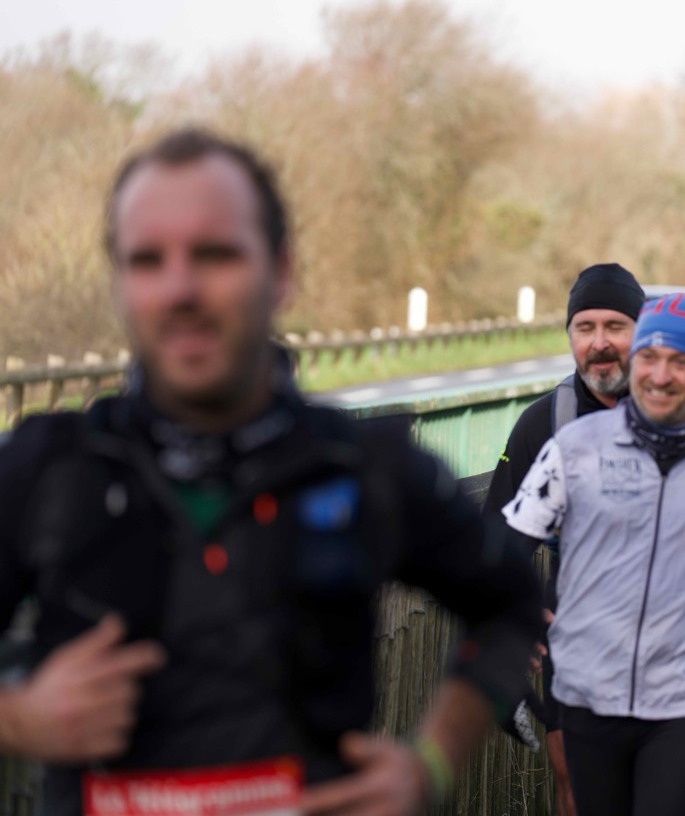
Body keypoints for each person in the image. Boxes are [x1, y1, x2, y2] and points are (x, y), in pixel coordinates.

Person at [0, 128, 543, 815]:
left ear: (281, 271)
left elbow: (511, 605)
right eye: (146, 260)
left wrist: (429, 765)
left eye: (216, 254)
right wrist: (20, 718)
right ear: (117, 282)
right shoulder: (49, 468)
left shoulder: (361, 466)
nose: (181, 288)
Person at [501, 292, 685, 816]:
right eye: (649, 357)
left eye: (681, 361)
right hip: (586, 693)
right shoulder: (574, 449)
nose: (660, 375)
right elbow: (500, 557)